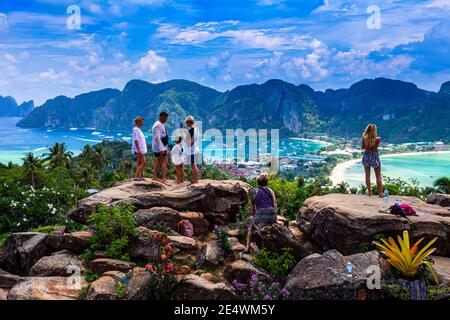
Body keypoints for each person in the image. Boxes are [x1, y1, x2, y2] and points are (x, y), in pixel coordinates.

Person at [244, 174, 278, 253]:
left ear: (258, 182)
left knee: (250, 228)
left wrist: (254, 215)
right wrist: (275, 217)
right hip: (271, 216)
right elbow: (275, 204)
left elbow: (253, 208)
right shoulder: (270, 190)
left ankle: (247, 247)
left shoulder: (253, 191)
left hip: (260, 216)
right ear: (266, 182)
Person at [361, 123, 383, 197]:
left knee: (367, 175)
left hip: (366, 156)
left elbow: (363, 147)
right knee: (378, 175)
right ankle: (380, 193)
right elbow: (374, 148)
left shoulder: (364, 138)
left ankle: (370, 192)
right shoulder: (378, 139)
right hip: (374, 156)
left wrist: (365, 141)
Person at [151, 111, 169, 184]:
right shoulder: (158, 125)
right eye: (166, 118)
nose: (166, 120)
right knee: (164, 161)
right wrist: (162, 149)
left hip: (158, 146)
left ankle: (154, 176)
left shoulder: (157, 124)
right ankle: (164, 179)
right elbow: (157, 138)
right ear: (162, 117)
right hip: (160, 147)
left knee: (158, 162)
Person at [183, 115, 200, 184]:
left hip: (192, 150)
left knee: (193, 165)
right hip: (196, 149)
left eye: (187, 123)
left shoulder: (190, 131)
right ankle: (196, 180)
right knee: (194, 165)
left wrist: (184, 137)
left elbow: (188, 143)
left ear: (188, 122)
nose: (186, 124)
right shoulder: (196, 129)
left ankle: (196, 181)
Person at [132, 116, 147, 181]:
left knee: (139, 162)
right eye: (141, 122)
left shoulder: (138, 129)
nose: (142, 123)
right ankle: (136, 176)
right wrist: (138, 150)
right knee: (144, 162)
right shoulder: (135, 129)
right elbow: (136, 140)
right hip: (139, 149)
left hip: (141, 149)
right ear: (138, 122)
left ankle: (139, 176)